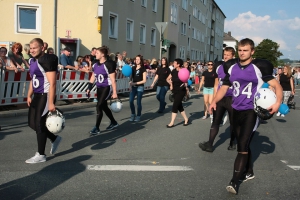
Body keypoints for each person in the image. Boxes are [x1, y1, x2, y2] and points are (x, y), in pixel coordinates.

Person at [209, 38, 282, 194]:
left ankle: (234, 181)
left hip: (251, 111)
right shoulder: (232, 67)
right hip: (235, 109)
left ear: (252, 51)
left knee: (242, 146)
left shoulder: (259, 67)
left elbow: (277, 86)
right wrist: (214, 101)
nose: (242, 53)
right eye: (240, 50)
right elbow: (224, 88)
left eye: (245, 50)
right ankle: (249, 170)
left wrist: (278, 103)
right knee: (244, 143)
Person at [26, 38, 62, 164]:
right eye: (30, 48)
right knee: (32, 123)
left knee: (40, 124)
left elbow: (52, 83)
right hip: (37, 95)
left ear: (42, 47)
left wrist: (51, 102)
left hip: (46, 95)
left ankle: (41, 154)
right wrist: (29, 94)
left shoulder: (47, 59)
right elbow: (33, 79)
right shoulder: (32, 60)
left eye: (34, 48)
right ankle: (54, 138)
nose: (32, 50)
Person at [199, 47, 236, 153]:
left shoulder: (236, 67)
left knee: (233, 123)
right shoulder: (219, 66)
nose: (225, 56)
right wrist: (214, 99)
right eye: (224, 54)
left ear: (233, 55)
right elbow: (217, 84)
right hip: (220, 98)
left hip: (232, 98)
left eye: (228, 54)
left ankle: (232, 142)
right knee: (215, 121)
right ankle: (210, 144)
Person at [87, 46, 119, 135]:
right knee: (104, 106)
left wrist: (115, 92)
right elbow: (93, 76)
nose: (95, 54)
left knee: (99, 105)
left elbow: (113, 80)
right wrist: (89, 88)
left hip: (106, 87)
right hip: (99, 88)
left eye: (97, 53)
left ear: (103, 54)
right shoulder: (95, 64)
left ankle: (96, 127)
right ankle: (114, 122)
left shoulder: (108, 64)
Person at [166, 58, 189, 127]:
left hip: (181, 90)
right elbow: (168, 79)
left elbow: (186, 80)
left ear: (178, 64)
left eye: (175, 63)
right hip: (175, 90)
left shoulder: (183, 71)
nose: (173, 64)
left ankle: (172, 122)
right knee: (179, 106)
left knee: (175, 105)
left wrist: (186, 84)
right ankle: (186, 119)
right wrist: (171, 84)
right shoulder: (173, 71)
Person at [129, 55, 147, 122]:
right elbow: (131, 78)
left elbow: (144, 80)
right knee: (131, 101)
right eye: (136, 59)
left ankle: (138, 116)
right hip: (133, 87)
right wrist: (130, 85)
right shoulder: (133, 68)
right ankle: (133, 114)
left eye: (138, 59)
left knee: (138, 102)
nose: (137, 60)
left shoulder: (143, 69)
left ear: (141, 60)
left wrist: (135, 83)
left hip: (140, 87)